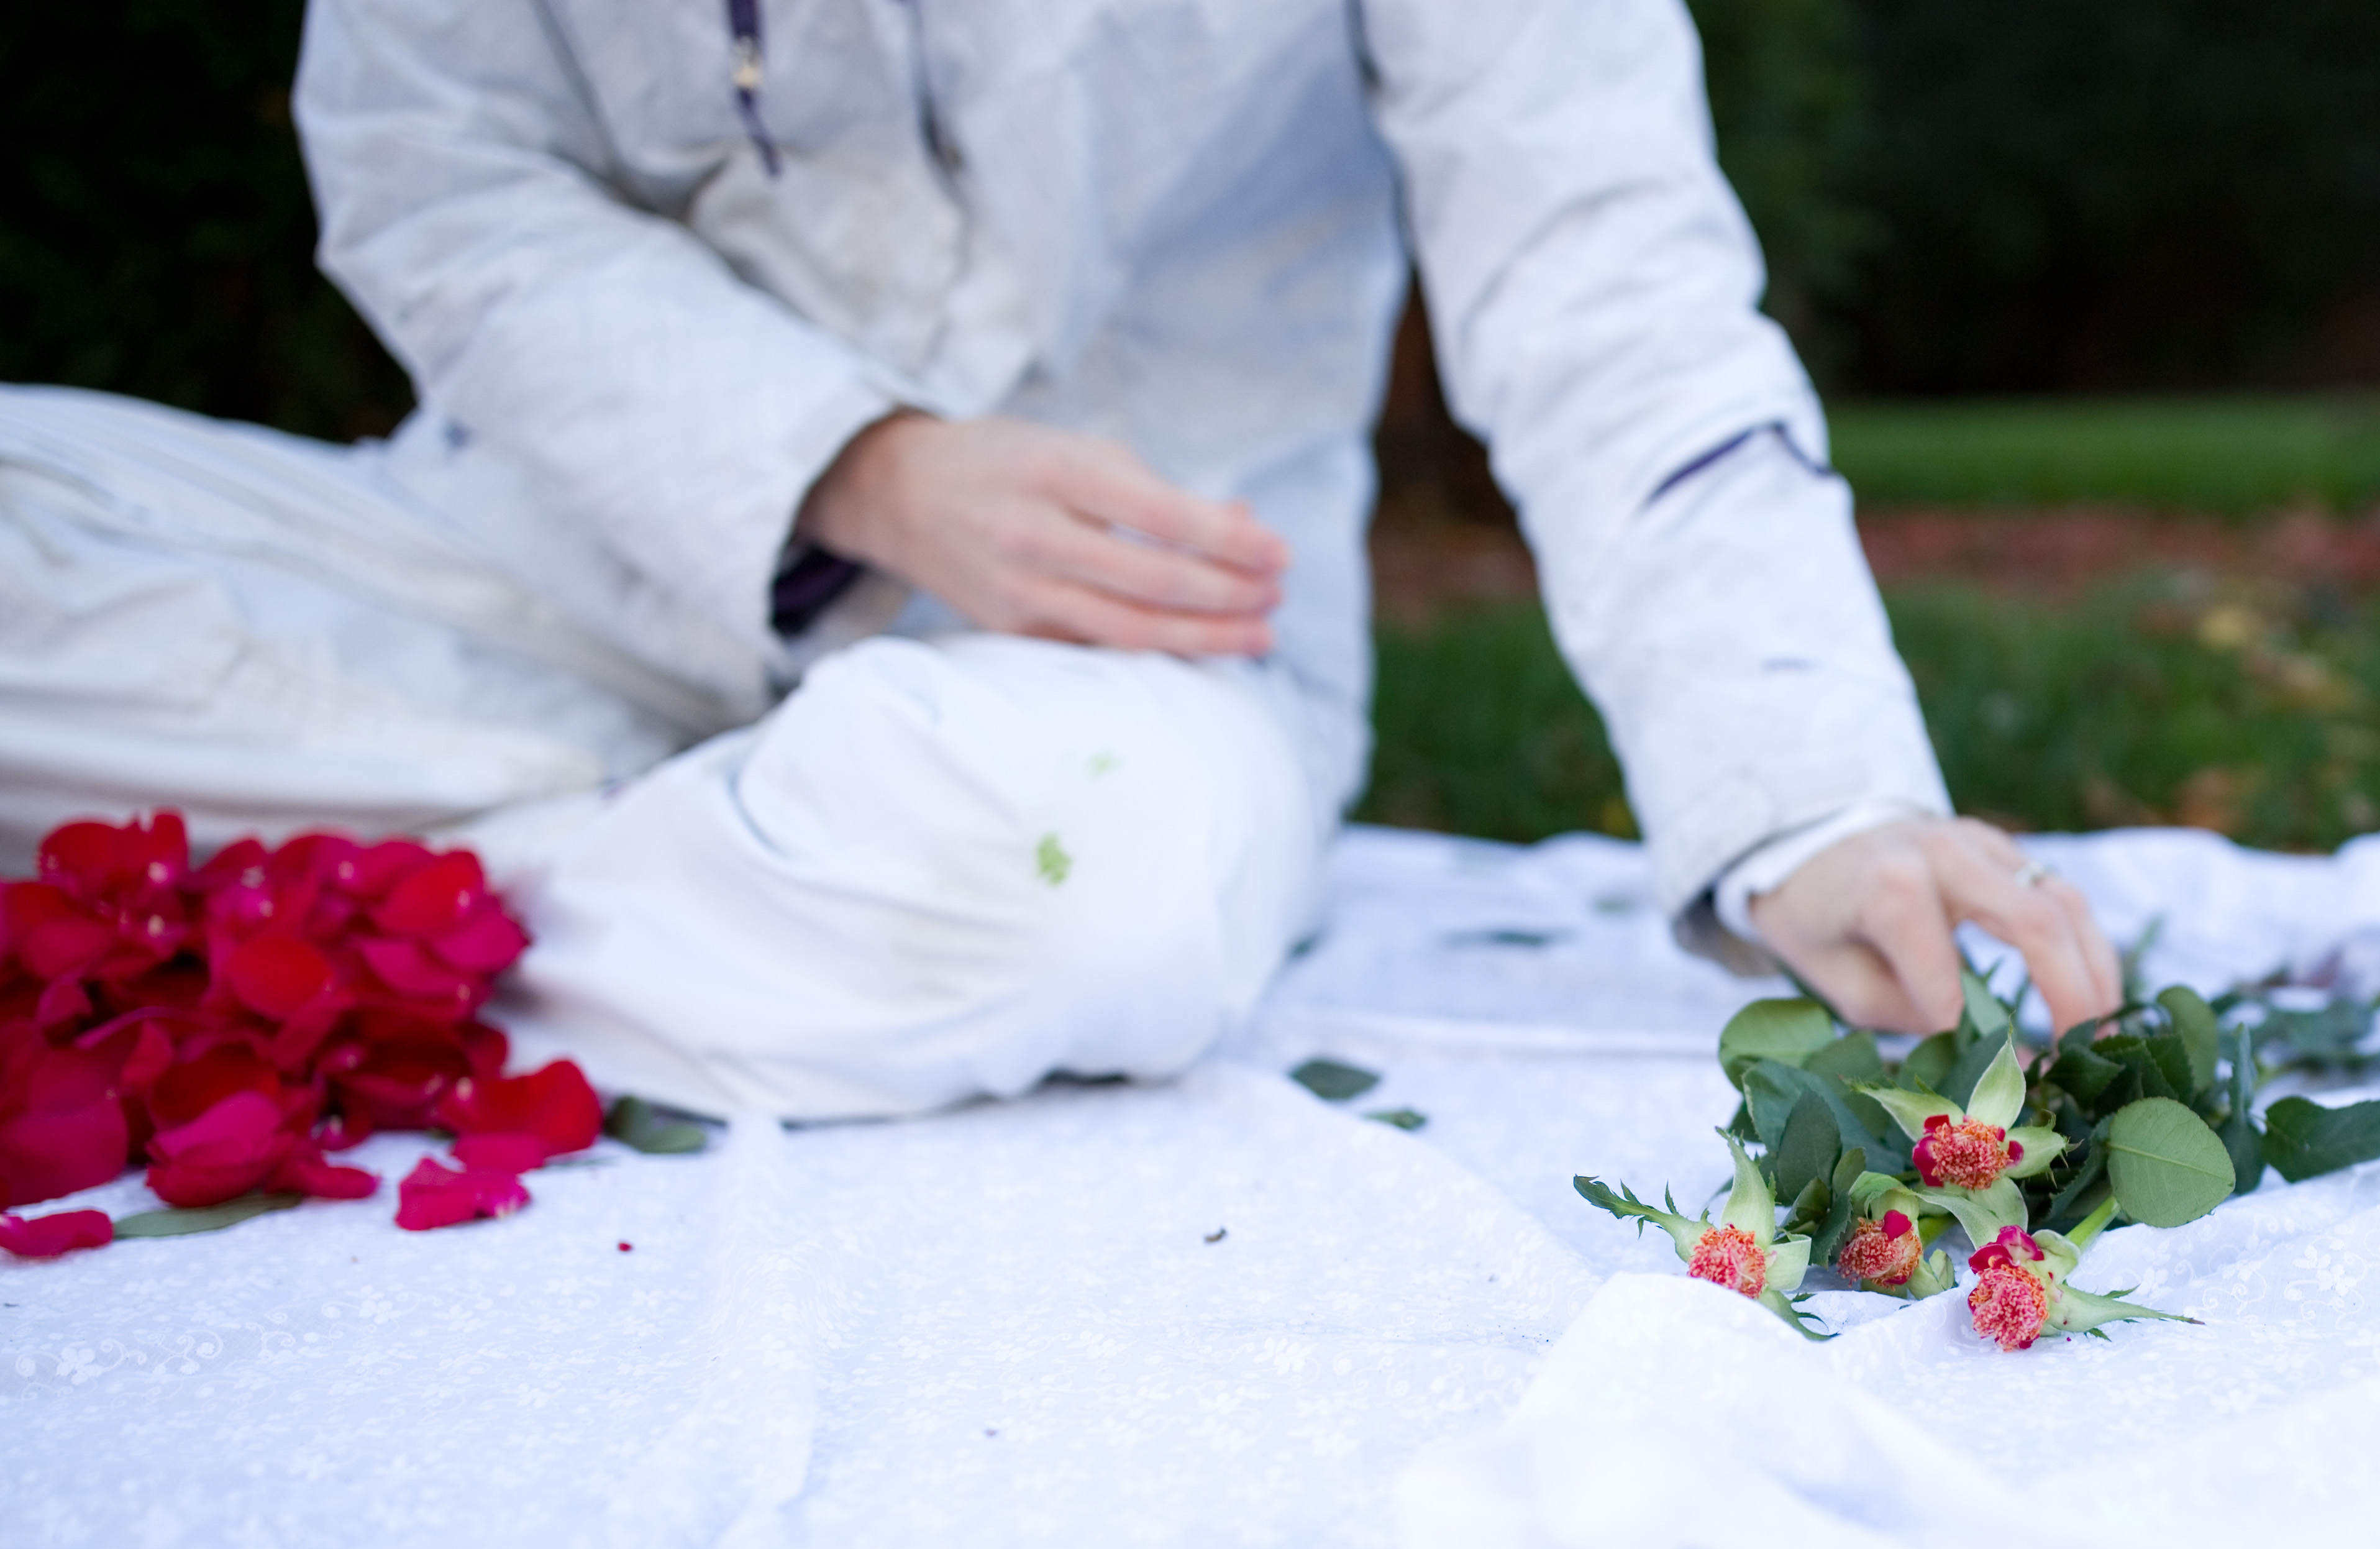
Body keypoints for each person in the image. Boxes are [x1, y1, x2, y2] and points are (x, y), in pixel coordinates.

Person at [0, 0, 2118, 1121]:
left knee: (1091, 897)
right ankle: (643, 879)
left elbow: (1606, 285)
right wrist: (854, 468)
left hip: (1134, 668)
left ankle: (332, 917)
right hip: (555, 556)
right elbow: (427, 168)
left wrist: (1810, 802)